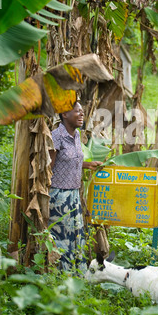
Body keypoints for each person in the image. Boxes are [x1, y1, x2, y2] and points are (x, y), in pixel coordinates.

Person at [48, 101, 102, 272]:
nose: (81, 115)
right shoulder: (56, 136)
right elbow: (48, 168)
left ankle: (76, 275)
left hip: (74, 195)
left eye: (82, 111)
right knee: (61, 239)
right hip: (59, 196)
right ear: (64, 114)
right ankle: (61, 276)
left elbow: (71, 161)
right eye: (77, 112)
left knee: (75, 237)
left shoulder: (77, 135)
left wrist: (88, 164)